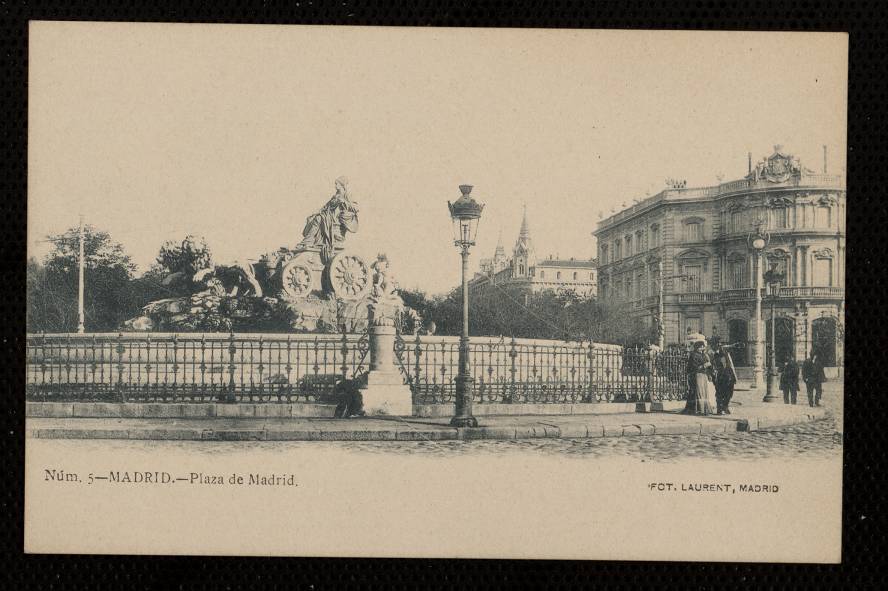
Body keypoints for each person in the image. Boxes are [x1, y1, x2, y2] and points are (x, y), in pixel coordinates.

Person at [683, 339, 717, 415]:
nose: (702, 348)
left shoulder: (703, 355)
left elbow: (709, 364)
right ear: (697, 347)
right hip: (697, 375)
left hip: (703, 375)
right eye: (701, 347)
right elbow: (694, 367)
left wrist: (709, 372)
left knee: (704, 392)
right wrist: (704, 365)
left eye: (703, 347)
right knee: (699, 392)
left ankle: (704, 409)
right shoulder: (693, 355)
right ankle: (699, 409)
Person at [710, 338, 737, 415]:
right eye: (717, 344)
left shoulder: (725, 353)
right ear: (713, 345)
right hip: (719, 376)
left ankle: (725, 406)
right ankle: (719, 408)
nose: (719, 345)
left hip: (728, 374)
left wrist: (734, 376)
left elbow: (730, 364)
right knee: (720, 393)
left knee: (729, 392)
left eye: (720, 343)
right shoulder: (712, 354)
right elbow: (712, 365)